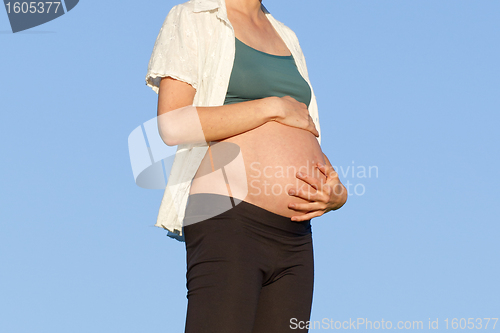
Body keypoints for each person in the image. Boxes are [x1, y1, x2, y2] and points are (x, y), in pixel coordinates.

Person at [145, 0, 347, 332]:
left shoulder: (287, 36)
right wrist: (271, 107)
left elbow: (304, 127)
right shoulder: (194, 16)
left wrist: (336, 193)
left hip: (296, 235)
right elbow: (172, 124)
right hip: (227, 216)